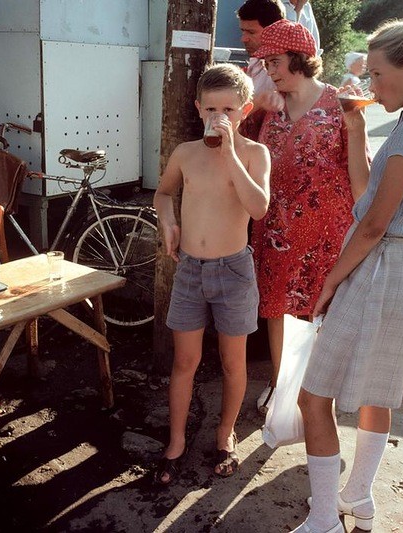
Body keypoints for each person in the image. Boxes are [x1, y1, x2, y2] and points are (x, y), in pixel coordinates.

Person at [293, 18, 403, 533]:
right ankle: (359, 500)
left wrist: (329, 281)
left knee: (312, 397)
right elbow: (368, 194)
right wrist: (356, 127)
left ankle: (324, 519)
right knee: (376, 392)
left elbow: (371, 224)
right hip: (399, 269)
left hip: (376, 267)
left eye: (379, 74)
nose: (372, 86)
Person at [152, 64, 270, 485]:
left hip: (234, 271)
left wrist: (231, 153)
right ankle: (177, 440)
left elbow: (258, 208)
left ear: (246, 111)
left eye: (230, 109)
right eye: (211, 108)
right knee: (185, 361)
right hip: (190, 270)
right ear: (198, 107)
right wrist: (168, 223)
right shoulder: (186, 153)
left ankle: (225, 435)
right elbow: (163, 193)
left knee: (232, 362)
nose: (220, 116)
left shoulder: (255, 154)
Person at [250, 20, 367, 415]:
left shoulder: (340, 104)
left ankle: (316, 394)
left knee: (320, 311)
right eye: (266, 63)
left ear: (300, 59)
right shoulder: (268, 107)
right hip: (276, 228)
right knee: (278, 308)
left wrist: (362, 225)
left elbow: (359, 171)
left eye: (276, 61)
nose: (270, 70)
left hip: (327, 231)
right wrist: (251, 112)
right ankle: (281, 386)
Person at [236, 0, 286, 140]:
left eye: (251, 32)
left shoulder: (286, 70)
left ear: (274, 30)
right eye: (243, 31)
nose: (244, 39)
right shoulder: (254, 64)